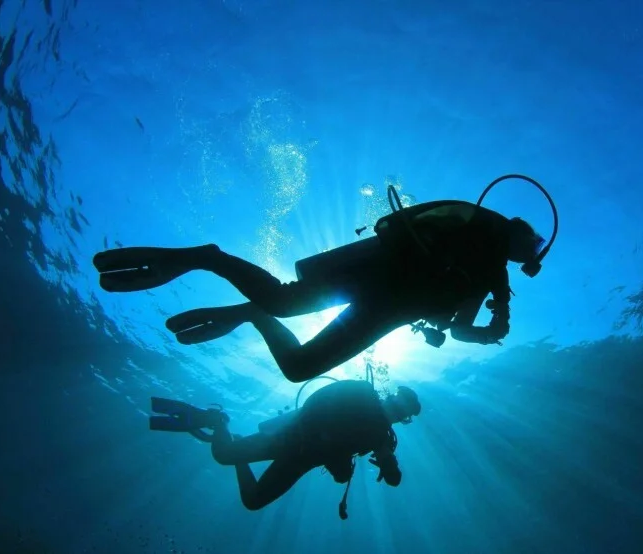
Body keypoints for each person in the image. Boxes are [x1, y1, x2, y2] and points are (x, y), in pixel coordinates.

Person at [93, 200, 546, 383]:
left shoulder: (489, 274)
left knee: (299, 366)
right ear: (519, 234)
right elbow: (470, 314)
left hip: (384, 312)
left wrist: (489, 332)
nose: (534, 255)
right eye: (533, 246)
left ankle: (249, 309)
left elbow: (460, 329)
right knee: (284, 306)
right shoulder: (486, 242)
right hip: (375, 279)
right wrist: (499, 312)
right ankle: (209, 258)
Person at [149, 380, 421, 515]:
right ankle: (217, 422)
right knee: (222, 455)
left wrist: (386, 465)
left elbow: (394, 478)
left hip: (300, 461)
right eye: (399, 404)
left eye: (403, 412)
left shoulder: (381, 439)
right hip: (286, 437)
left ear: (404, 419)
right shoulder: (362, 391)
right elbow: (317, 400)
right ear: (391, 396)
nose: (397, 412)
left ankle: (228, 438)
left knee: (253, 501)